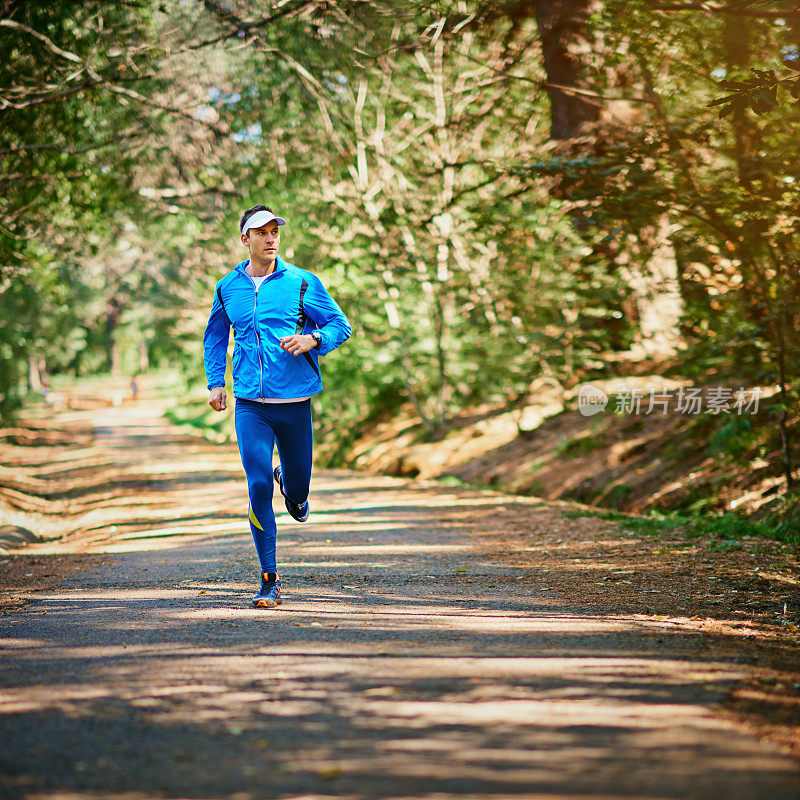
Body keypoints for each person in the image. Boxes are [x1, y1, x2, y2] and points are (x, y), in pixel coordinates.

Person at [203, 205, 351, 609]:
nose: (270, 238)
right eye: (261, 232)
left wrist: (314, 339)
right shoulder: (227, 287)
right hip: (250, 404)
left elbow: (341, 324)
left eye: (275, 232)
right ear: (244, 239)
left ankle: (292, 483)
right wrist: (216, 382)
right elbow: (215, 337)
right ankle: (269, 579)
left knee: (298, 493)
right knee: (257, 485)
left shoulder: (302, 282)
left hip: (295, 402)